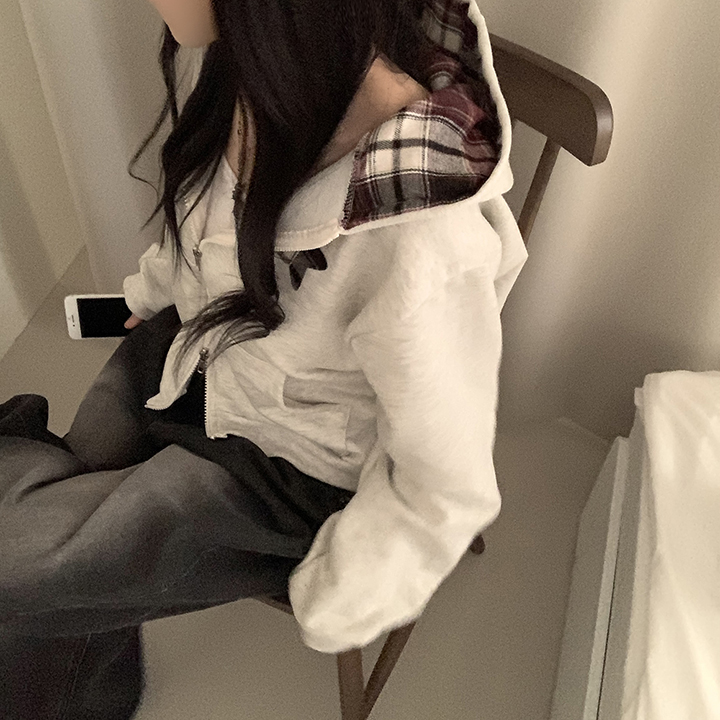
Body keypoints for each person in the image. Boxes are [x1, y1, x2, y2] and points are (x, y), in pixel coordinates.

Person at [0, 0, 528, 717]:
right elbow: (201, 222)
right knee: (54, 530)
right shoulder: (249, 70)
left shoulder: (422, 239)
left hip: (287, 463)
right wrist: (151, 290)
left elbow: (446, 480)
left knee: (21, 553)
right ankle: (86, 685)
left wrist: (342, 594)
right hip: (198, 345)